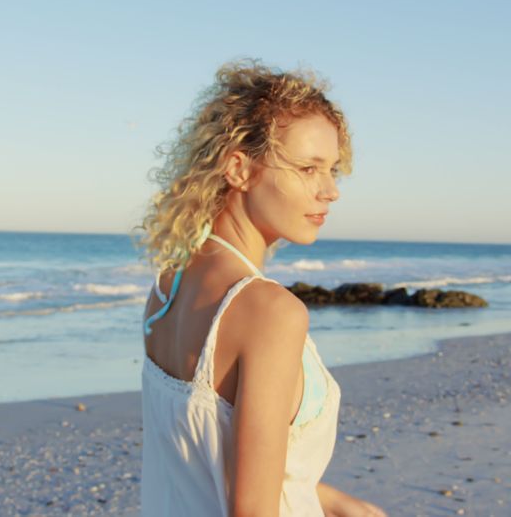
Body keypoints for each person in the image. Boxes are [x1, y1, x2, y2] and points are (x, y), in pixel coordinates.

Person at [134, 59, 388, 516]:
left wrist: (330, 501)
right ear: (239, 168)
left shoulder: (166, 292)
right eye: (308, 168)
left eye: (333, 169)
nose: (330, 190)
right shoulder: (271, 312)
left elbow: (202, 466)